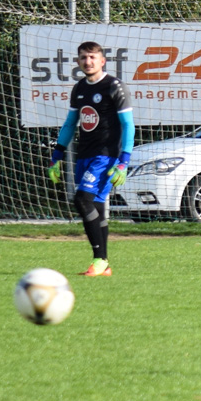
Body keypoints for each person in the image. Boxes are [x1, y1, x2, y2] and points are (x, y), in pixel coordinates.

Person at [46, 41, 133, 277]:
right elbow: (70, 124)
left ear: (102, 61)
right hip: (84, 155)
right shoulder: (79, 88)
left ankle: (99, 259)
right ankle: (104, 264)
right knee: (96, 207)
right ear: (78, 62)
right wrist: (56, 156)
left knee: (82, 200)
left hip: (106, 156)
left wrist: (123, 161)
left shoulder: (114, 86)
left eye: (93, 57)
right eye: (84, 57)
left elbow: (128, 125)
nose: (88, 61)